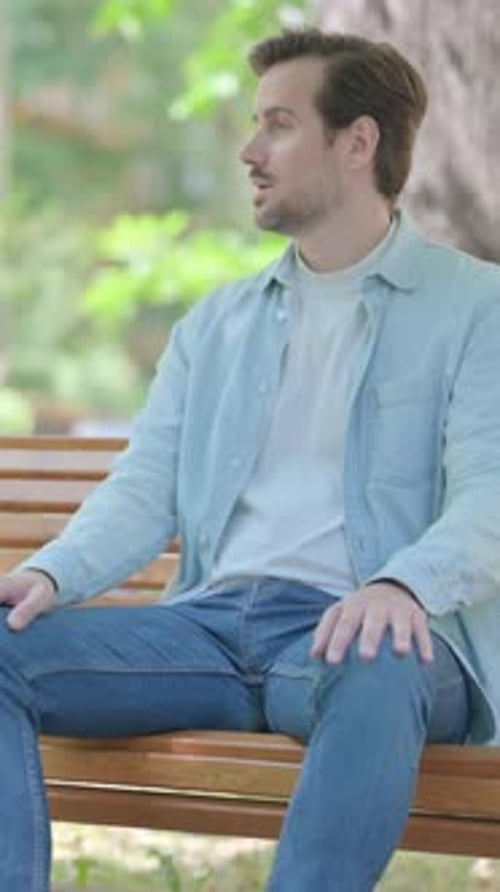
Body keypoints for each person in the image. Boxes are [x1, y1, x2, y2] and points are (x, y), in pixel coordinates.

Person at [1, 27, 500, 892]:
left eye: (277, 123)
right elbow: (145, 485)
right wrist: (51, 574)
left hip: (369, 636)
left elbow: (491, 493)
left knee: (378, 655)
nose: (248, 150)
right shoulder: (217, 322)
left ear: (357, 142)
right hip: (208, 629)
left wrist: (402, 585)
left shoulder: (475, 308)